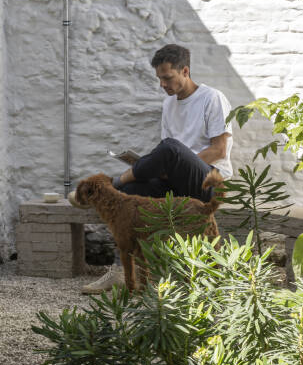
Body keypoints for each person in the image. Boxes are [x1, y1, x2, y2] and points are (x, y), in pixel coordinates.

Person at [82, 43, 233, 294]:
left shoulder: (212, 98)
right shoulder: (169, 105)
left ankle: (116, 180)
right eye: (159, 79)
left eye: (167, 78)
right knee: (130, 191)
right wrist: (159, 166)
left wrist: (176, 163)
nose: (163, 84)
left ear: (185, 71)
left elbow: (219, 150)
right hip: (174, 182)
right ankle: (121, 271)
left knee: (170, 148)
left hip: (206, 181)